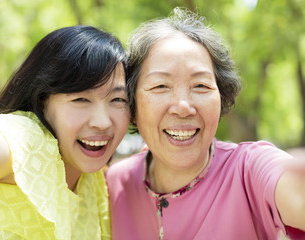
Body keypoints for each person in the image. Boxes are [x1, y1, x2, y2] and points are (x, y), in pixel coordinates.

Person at [106, 7, 305, 240]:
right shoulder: (114, 183)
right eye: (160, 86)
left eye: (200, 85)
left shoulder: (249, 170)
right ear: (132, 105)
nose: (183, 106)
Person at [0, 25, 130, 239]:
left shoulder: (96, 185)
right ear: (43, 103)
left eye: (117, 100)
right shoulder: (26, 138)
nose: (102, 122)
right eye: (81, 99)